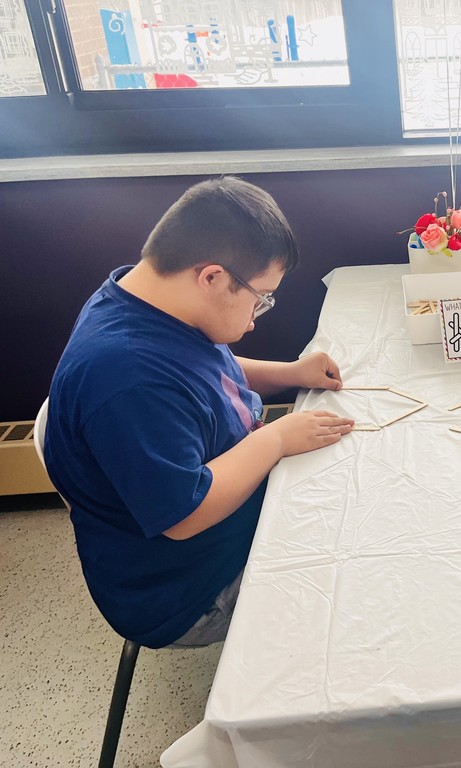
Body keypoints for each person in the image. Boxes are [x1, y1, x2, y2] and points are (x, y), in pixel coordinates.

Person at [45, 177, 354, 649]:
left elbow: (206, 373)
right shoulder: (127, 377)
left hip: (223, 522)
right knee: (363, 568)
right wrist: (275, 439)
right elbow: (185, 514)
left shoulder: (149, 299)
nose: (256, 317)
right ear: (211, 278)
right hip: (189, 592)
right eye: (260, 298)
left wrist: (290, 373)